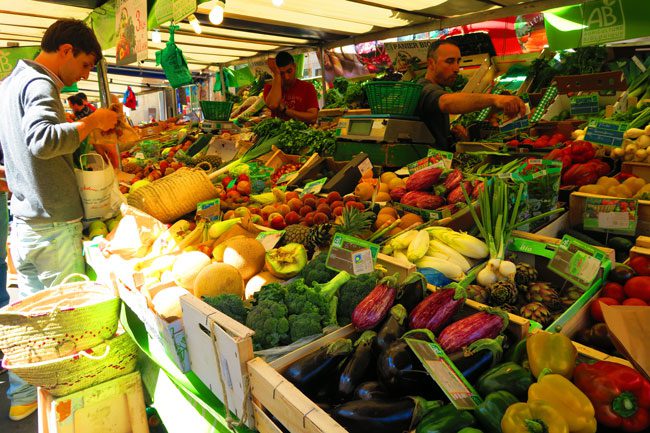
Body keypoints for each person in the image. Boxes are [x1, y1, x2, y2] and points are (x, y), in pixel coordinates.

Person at [0, 18, 118, 422]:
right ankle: (71, 412)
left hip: (25, 223)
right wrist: (90, 123)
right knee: (67, 324)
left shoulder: (9, 84)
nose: (84, 75)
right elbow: (43, 140)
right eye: (85, 64)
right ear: (65, 50)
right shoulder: (40, 84)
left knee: (31, 318)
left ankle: (23, 399)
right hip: (52, 224)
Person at [417, 40, 527, 151]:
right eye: (449, 61)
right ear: (431, 63)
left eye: (458, 61)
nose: (456, 69)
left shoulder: (437, 88)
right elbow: (446, 102)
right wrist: (495, 98)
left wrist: (452, 136)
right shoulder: (425, 89)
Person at [264, 51, 319, 124]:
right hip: (279, 133)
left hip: (303, 133)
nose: (286, 77)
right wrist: (277, 75)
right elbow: (273, 105)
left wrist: (286, 111)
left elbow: (313, 117)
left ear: (295, 66)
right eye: (282, 73)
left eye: (289, 71)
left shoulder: (308, 88)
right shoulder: (270, 88)